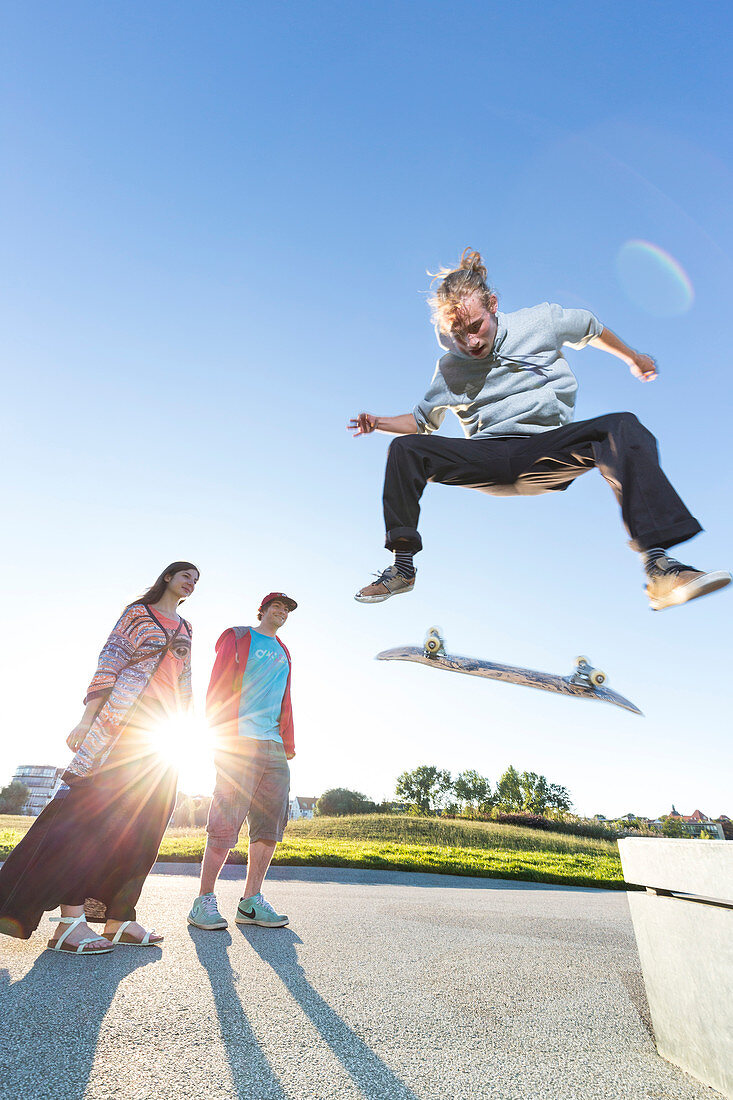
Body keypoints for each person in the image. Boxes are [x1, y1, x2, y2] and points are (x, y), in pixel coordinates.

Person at [349, 248, 730, 612]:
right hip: (487, 457)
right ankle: (402, 568)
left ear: (493, 305)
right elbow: (421, 422)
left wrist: (633, 357)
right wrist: (377, 423)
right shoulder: (449, 366)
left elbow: (593, 328)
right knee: (406, 449)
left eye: (476, 326)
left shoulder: (540, 321)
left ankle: (659, 568)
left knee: (620, 427)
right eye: (459, 334)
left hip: (545, 450)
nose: (471, 341)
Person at [0, 561, 199, 954]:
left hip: (162, 738)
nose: (191, 583)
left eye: (196, 579)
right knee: (88, 819)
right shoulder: (137, 615)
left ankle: (119, 919)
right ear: (167, 578)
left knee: (145, 827)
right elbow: (109, 663)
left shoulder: (187, 628)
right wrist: (87, 719)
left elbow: (185, 680)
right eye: (185, 576)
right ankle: (68, 923)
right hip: (121, 727)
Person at [188, 592, 297, 932]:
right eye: (276, 607)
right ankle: (204, 900)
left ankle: (251, 901)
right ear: (262, 610)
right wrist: (219, 735)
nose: (281, 612)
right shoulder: (238, 636)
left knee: (269, 825)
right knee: (226, 818)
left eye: (286, 610)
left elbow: (285, 698)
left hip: (273, 745)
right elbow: (217, 685)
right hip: (238, 740)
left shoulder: (284, 650)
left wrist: (288, 741)